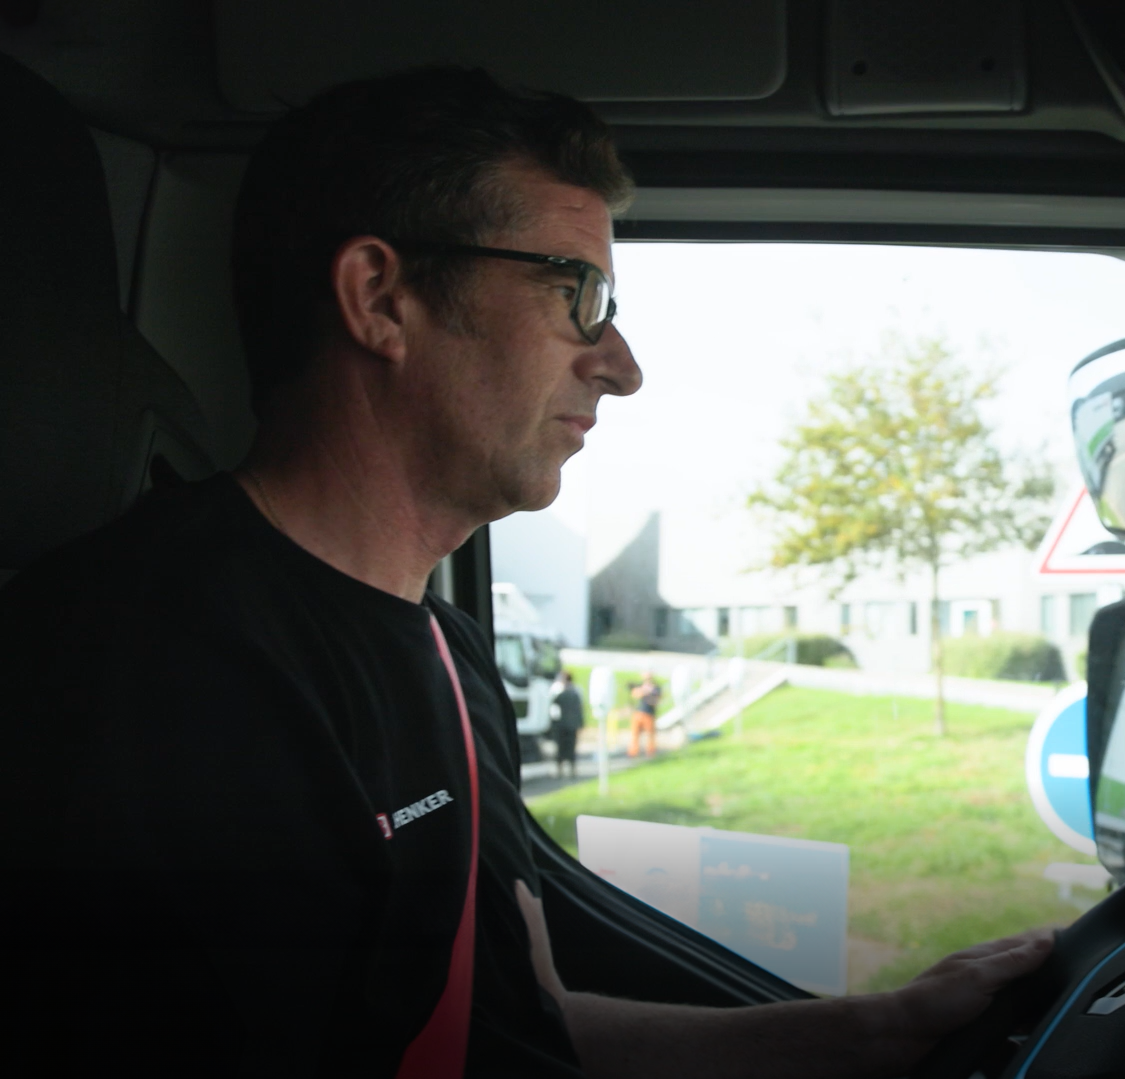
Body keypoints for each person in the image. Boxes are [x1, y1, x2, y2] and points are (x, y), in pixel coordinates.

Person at [0, 67, 1049, 1078]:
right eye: (576, 292)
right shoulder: (136, 678)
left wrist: (871, 1035)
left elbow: (511, 1026)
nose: (621, 363)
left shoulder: (443, 647)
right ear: (380, 297)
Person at [552, 670, 585, 779]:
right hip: (570, 724)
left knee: (564, 747)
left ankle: (563, 770)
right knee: (567, 747)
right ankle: (568, 770)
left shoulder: (563, 692)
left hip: (563, 723)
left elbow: (554, 703)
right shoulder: (576, 692)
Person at [628, 674, 661, 759]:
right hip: (639, 712)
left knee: (650, 734)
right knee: (635, 733)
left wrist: (650, 692)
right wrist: (644, 691)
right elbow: (635, 694)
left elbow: (656, 701)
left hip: (649, 713)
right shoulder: (641, 686)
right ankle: (633, 752)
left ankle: (651, 752)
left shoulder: (656, 688)